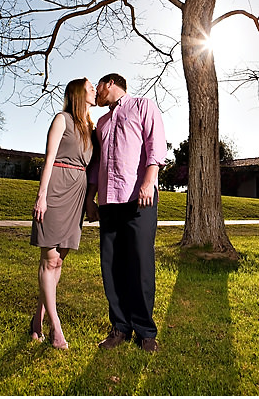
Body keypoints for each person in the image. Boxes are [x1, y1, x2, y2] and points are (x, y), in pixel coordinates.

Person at [85, 73, 166, 353]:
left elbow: (156, 146)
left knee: (140, 263)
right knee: (112, 266)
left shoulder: (143, 106)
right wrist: (90, 198)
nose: (96, 94)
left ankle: (146, 331)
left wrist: (148, 182)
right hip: (109, 202)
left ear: (110, 84)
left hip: (139, 198)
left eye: (98, 88)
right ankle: (120, 327)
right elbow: (97, 164)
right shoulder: (102, 122)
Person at [31, 78, 97, 350]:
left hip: (78, 193)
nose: (94, 91)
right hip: (56, 188)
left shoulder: (90, 128)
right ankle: (56, 329)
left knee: (59, 261)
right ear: (78, 93)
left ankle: (37, 320)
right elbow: (48, 158)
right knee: (49, 260)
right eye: (91, 87)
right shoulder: (61, 119)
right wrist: (42, 196)